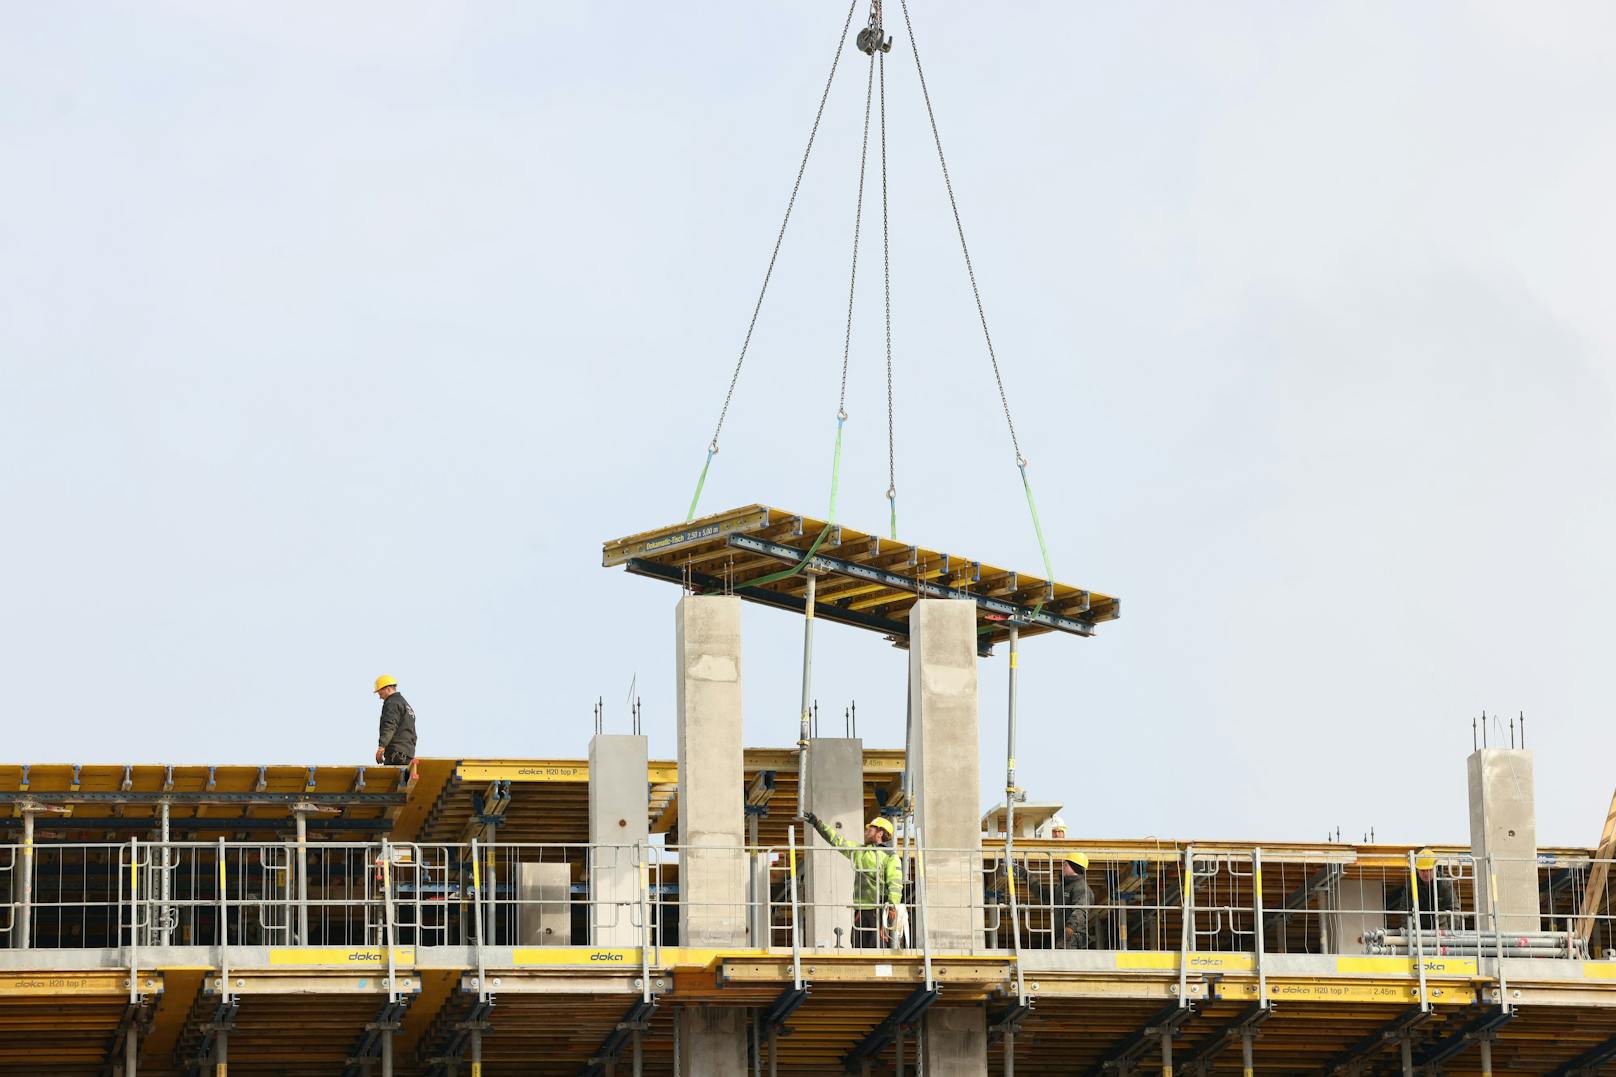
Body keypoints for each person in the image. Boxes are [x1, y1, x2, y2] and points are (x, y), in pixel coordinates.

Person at [802, 811, 903, 948]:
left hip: (879, 911)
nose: (866, 832)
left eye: (870, 829)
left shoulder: (890, 856)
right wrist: (817, 824)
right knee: (858, 945)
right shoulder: (859, 851)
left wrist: (892, 905)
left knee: (878, 946)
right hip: (861, 909)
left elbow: (895, 883)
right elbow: (836, 840)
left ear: (880, 833)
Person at [1392, 847, 1458, 934]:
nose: (1426, 874)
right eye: (1423, 870)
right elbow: (1405, 909)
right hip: (1419, 929)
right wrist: (1409, 931)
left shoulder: (1444, 884)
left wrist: (1452, 932)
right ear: (1417, 870)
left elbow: (1453, 909)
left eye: (1429, 870)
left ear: (1435, 868)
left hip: (1441, 929)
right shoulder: (1412, 885)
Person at [373, 675, 417, 765]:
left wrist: (381, 747)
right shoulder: (405, 704)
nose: (380, 697)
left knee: (388, 779)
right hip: (408, 755)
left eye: (380, 694)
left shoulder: (392, 703)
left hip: (396, 754)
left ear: (388, 689)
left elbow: (389, 725)